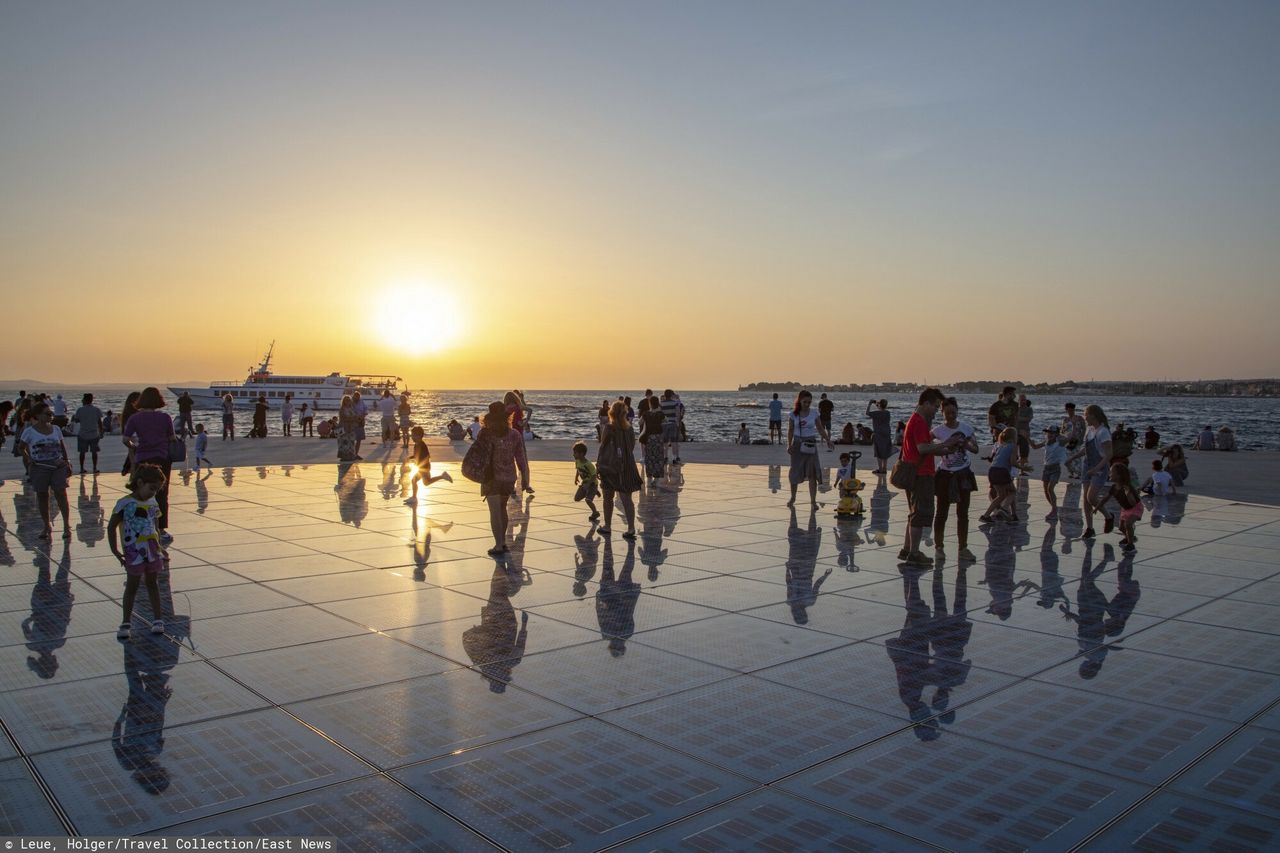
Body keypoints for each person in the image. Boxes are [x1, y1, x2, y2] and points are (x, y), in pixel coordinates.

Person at [108, 463, 168, 639]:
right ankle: (126, 622)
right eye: (152, 488)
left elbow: (155, 526)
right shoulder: (125, 503)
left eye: (157, 490)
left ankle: (158, 619)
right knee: (132, 586)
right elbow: (111, 527)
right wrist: (115, 550)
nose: (153, 493)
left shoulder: (152, 502)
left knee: (153, 584)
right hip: (134, 551)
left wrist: (160, 547)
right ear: (140, 483)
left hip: (151, 550)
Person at [122, 387, 176, 545]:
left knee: (142, 493)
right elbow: (172, 438)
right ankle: (161, 529)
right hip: (162, 458)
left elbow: (125, 439)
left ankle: (142, 526)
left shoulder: (135, 418)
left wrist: (134, 446)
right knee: (161, 494)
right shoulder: (165, 417)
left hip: (142, 459)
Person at [476, 401, 528, 556]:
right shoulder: (515, 434)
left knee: (495, 512)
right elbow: (521, 458)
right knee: (503, 509)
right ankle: (503, 542)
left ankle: (498, 545)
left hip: (491, 477)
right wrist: (524, 477)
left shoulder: (485, 434)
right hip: (508, 477)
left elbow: (478, 454)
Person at [932, 397, 979, 562]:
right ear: (942, 412)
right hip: (945, 474)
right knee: (941, 512)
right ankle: (939, 547)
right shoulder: (938, 430)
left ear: (957, 411)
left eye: (953, 412)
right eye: (947, 413)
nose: (951, 415)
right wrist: (944, 445)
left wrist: (966, 444)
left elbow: (976, 449)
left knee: (963, 513)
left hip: (963, 473)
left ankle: (963, 547)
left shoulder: (966, 428)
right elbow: (928, 445)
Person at [21, 403, 73, 539]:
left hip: (57, 465)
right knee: (42, 495)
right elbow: (21, 447)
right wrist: (29, 460)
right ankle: (46, 525)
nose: (51, 416)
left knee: (61, 493)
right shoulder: (29, 432)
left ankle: (66, 526)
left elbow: (62, 446)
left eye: (51, 414)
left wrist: (67, 462)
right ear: (38, 416)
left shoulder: (56, 429)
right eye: (47, 414)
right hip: (39, 467)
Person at [1066, 404, 1113, 539]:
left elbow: (1109, 454)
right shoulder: (1090, 430)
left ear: (1093, 415)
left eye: (1086, 414)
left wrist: (1097, 468)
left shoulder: (1103, 432)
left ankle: (1108, 516)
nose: (1085, 417)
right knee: (1086, 499)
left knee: (1091, 497)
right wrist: (1072, 458)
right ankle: (1090, 528)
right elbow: (1086, 449)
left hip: (1099, 467)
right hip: (1087, 465)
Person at [596, 400, 641, 538]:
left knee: (608, 497)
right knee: (627, 499)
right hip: (627, 466)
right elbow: (632, 447)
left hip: (610, 466)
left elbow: (603, 447)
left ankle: (608, 526)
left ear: (611, 413)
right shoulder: (630, 429)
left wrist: (599, 465)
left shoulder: (609, 428)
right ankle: (631, 528)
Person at [786, 390, 832, 509]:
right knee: (795, 471)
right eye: (805, 402)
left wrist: (828, 440)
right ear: (799, 401)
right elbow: (790, 430)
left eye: (809, 402)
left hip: (810, 444)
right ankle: (793, 497)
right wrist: (789, 445)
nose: (807, 404)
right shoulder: (793, 414)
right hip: (797, 444)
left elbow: (820, 428)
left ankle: (813, 501)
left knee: (812, 473)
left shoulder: (814, 413)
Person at [1095, 461, 1142, 551]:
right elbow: (1105, 498)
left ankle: (1130, 544)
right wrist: (1097, 507)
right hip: (1125, 509)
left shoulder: (1127, 487)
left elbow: (1132, 503)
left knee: (1128, 524)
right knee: (1121, 527)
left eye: (1112, 473)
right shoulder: (1113, 487)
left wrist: (1128, 493)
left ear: (1119, 475)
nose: (1110, 474)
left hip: (1135, 508)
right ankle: (1129, 537)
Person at [979, 428, 1021, 524]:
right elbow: (1013, 462)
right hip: (1002, 471)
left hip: (992, 470)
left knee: (1001, 495)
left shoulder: (1000, 445)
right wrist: (1023, 468)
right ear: (1014, 436)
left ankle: (985, 516)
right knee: (1012, 491)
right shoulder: (1013, 446)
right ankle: (1004, 509)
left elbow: (995, 458)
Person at [404, 426, 453, 505]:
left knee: (414, 480)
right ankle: (442, 476)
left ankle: (414, 498)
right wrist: (411, 458)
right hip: (422, 467)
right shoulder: (417, 444)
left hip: (424, 468)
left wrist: (421, 464)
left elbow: (427, 456)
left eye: (413, 435)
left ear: (419, 436)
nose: (412, 437)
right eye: (412, 435)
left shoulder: (421, 444)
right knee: (426, 482)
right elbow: (416, 455)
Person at [1032, 425, 1069, 521]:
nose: (1049, 435)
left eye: (1052, 433)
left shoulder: (1059, 442)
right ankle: (1054, 509)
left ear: (1057, 434)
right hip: (1046, 468)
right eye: (1048, 433)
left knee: (1050, 488)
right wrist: (1027, 438)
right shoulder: (1046, 442)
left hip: (1055, 468)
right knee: (1046, 490)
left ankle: (1054, 510)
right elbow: (1035, 447)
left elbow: (1068, 439)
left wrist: (1065, 433)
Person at [504, 391, 534, 494]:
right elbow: (530, 409)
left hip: (509, 437)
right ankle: (526, 485)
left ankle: (511, 486)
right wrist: (525, 422)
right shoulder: (518, 406)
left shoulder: (505, 408)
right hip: (519, 437)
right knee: (523, 462)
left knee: (510, 462)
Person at [71, 393, 103, 474]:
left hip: (83, 434)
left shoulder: (80, 410)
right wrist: (101, 432)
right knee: (94, 452)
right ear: (92, 400)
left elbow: (76, 420)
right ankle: (95, 468)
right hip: (94, 434)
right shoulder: (96, 410)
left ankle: (82, 468)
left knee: (82, 452)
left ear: (84, 400)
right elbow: (99, 422)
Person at [638, 394, 666, 484]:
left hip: (649, 437)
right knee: (658, 457)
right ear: (658, 404)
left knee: (649, 456)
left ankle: (649, 475)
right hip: (658, 438)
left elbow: (639, 422)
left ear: (650, 404)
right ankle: (656, 478)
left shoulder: (646, 414)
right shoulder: (660, 414)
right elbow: (666, 421)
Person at [572, 440, 601, 521]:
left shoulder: (589, 464)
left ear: (581, 454)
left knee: (588, 500)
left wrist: (588, 484)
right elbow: (578, 469)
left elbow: (594, 476)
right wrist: (576, 478)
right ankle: (593, 492)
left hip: (592, 484)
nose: (573, 454)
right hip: (584, 483)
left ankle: (595, 513)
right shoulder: (577, 461)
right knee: (576, 498)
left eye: (575, 453)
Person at [1060, 402, 1086, 478]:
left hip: (1076, 440)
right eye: (1069, 409)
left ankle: (1078, 473)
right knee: (1067, 456)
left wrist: (1081, 438)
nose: (1071, 411)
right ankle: (1070, 472)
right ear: (1066, 410)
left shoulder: (1079, 418)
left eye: (1072, 409)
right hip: (1068, 440)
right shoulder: (1065, 420)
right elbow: (1062, 431)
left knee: (1076, 456)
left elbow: (1084, 428)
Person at [866, 400, 892, 474]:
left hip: (878, 433)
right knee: (885, 450)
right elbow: (881, 409)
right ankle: (884, 468)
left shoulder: (876, 413)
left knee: (878, 451)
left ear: (880, 405)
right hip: (887, 433)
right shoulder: (887, 413)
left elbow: (867, 413)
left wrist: (870, 404)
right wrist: (877, 404)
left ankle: (880, 469)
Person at [120, 391, 142, 475]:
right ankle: (127, 468)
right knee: (136, 465)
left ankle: (126, 468)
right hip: (136, 442)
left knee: (133, 463)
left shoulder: (127, 414)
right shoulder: (136, 415)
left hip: (132, 443)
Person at [660, 390, 682, 465]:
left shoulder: (661, 404)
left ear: (665, 395)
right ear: (671, 395)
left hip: (664, 424)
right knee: (674, 442)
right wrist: (678, 422)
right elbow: (678, 413)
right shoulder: (675, 403)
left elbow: (660, 414)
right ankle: (674, 458)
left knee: (664, 442)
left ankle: (665, 457)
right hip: (673, 423)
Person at [1016, 394, 1034, 472]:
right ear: (1018, 400)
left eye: (1024, 400)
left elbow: (1028, 419)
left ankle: (1022, 470)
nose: (1023, 401)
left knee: (1024, 451)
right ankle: (1014, 468)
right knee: (1013, 450)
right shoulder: (1016, 409)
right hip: (1015, 431)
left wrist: (1018, 418)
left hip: (1025, 431)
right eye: (1021, 400)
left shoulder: (1029, 409)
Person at [351, 391, 368, 457]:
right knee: (352, 439)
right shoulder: (351, 402)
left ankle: (356, 454)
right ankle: (352, 453)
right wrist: (356, 416)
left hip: (361, 421)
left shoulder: (361, 401)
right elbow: (350, 411)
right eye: (355, 397)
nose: (357, 398)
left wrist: (363, 416)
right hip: (353, 422)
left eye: (358, 397)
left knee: (359, 439)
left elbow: (366, 409)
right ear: (353, 396)